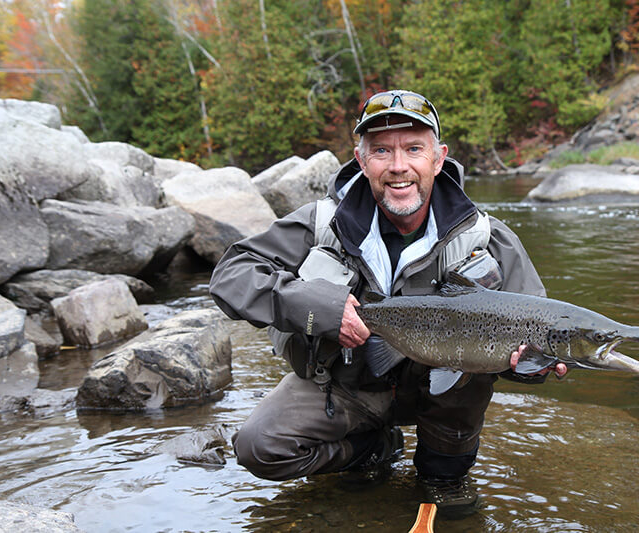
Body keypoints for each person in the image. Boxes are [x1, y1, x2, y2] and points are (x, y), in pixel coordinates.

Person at [209, 90, 567, 516]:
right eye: (381, 150)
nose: (399, 167)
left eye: (414, 149)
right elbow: (231, 274)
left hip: (441, 396)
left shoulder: (489, 239)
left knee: (464, 408)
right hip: (346, 385)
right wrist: (318, 307)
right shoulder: (322, 224)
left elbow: (541, 326)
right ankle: (371, 450)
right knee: (259, 447)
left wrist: (535, 366)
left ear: (438, 159)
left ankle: (443, 474)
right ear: (362, 162)